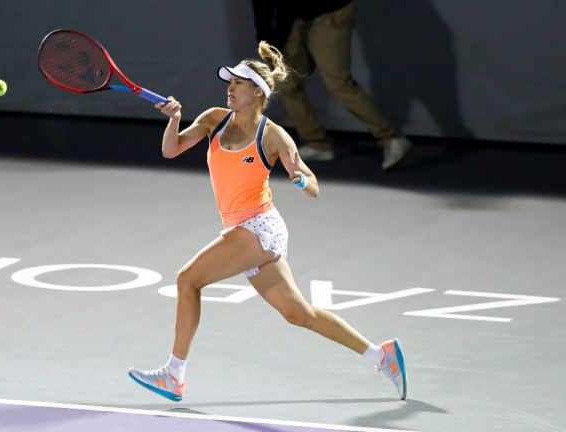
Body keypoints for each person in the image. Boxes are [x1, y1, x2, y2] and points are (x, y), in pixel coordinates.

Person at [127, 41, 407, 401]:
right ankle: (382, 356)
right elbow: (171, 149)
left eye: (239, 83)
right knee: (298, 313)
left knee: (187, 280)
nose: (230, 87)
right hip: (242, 229)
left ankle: (173, 375)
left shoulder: (273, 135)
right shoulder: (214, 119)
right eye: (229, 82)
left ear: (258, 93)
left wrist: (299, 178)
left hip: (259, 228)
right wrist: (174, 119)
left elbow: (314, 188)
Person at [252, 0, 412, 170]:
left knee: (338, 83)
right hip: (295, 17)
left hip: (330, 10)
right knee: (285, 82)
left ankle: (391, 137)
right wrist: (265, 39)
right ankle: (318, 144)